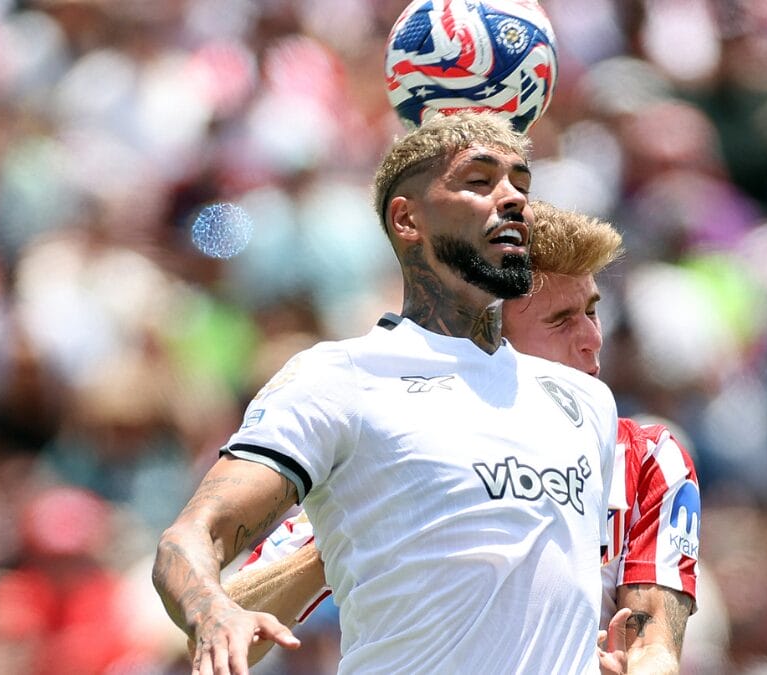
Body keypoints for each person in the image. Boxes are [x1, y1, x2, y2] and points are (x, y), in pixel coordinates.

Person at [153, 112, 621, 675]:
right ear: (407, 220)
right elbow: (189, 537)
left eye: (521, 185)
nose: (513, 199)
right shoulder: (339, 379)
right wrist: (212, 611)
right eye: (480, 181)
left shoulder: (586, 403)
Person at [227, 201, 700, 673]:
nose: (592, 338)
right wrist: (354, 538)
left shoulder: (648, 457)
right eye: (561, 320)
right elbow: (222, 633)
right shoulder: (392, 449)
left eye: (591, 311)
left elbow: (654, 645)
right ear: (490, 340)